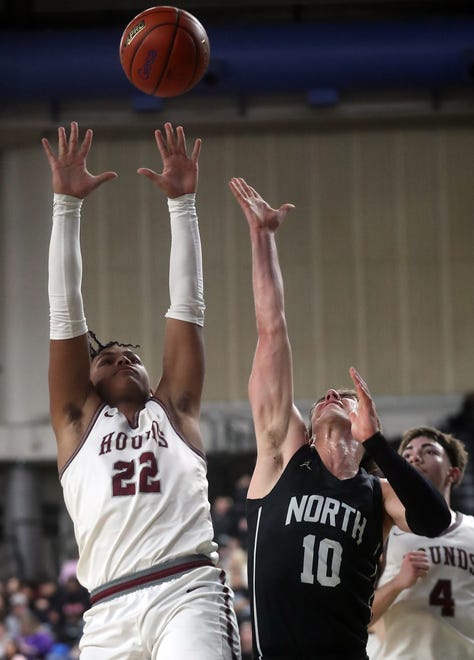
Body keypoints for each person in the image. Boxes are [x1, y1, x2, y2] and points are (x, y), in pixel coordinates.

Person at [228, 177, 451, 660]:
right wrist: (263, 238)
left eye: (346, 396)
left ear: (366, 419)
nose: (332, 392)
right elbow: (271, 331)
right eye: (324, 396)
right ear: (305, 424)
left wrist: (381, 447)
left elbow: (435, 522)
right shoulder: (282, 454)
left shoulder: (378, 494)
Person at [42, 122, 241, 659]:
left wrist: (183, 205)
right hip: (108, 608)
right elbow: (65, 312)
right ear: (89, 382)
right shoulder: (77, 425)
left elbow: (188, 307)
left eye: (133, 356)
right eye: (107, 359)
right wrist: (66, 205)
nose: (124, 359)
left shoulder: (173, 410)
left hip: (187, 590)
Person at [368, 426, 474, 659]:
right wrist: (397, 583)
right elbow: (357, 618)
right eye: (406, 455)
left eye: (429, 452)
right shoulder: (385, 527)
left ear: (453, 473)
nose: (415, 456)